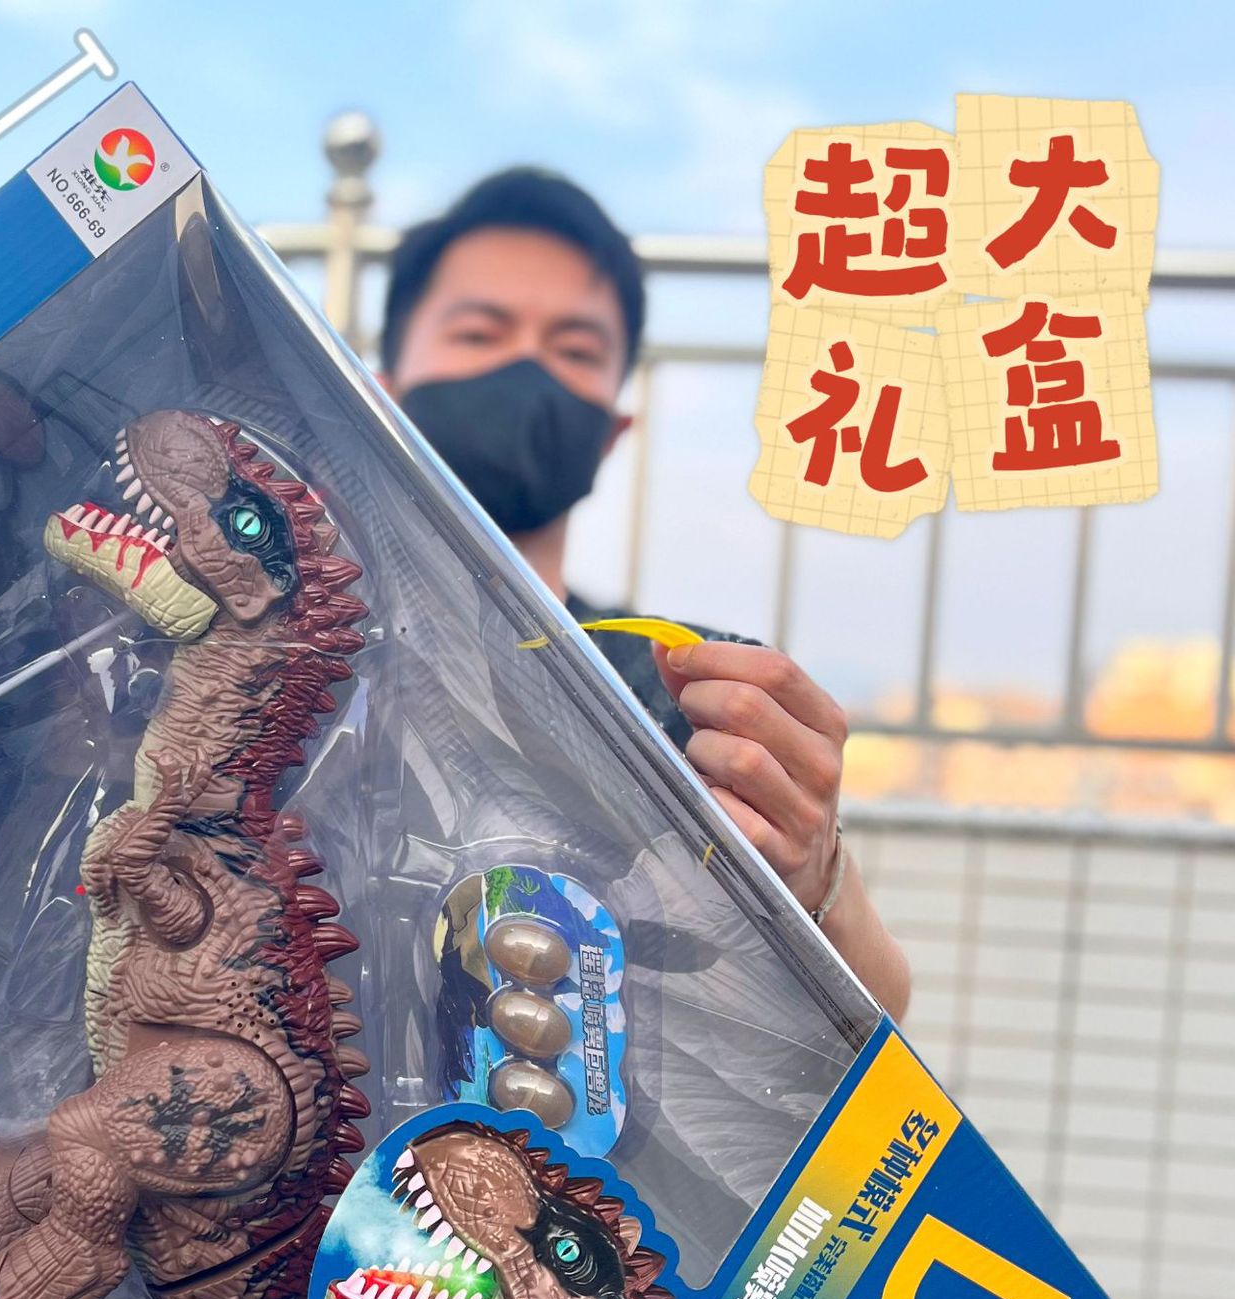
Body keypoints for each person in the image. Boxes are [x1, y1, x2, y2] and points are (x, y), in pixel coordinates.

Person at [380, 169, 910, 1019]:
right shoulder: (265, 649)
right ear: (381, 390)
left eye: (575, 351)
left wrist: (815, 876)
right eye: (479, 333)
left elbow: (874, 1014)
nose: (527, 370)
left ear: (613, 431)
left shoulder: (687, 694)